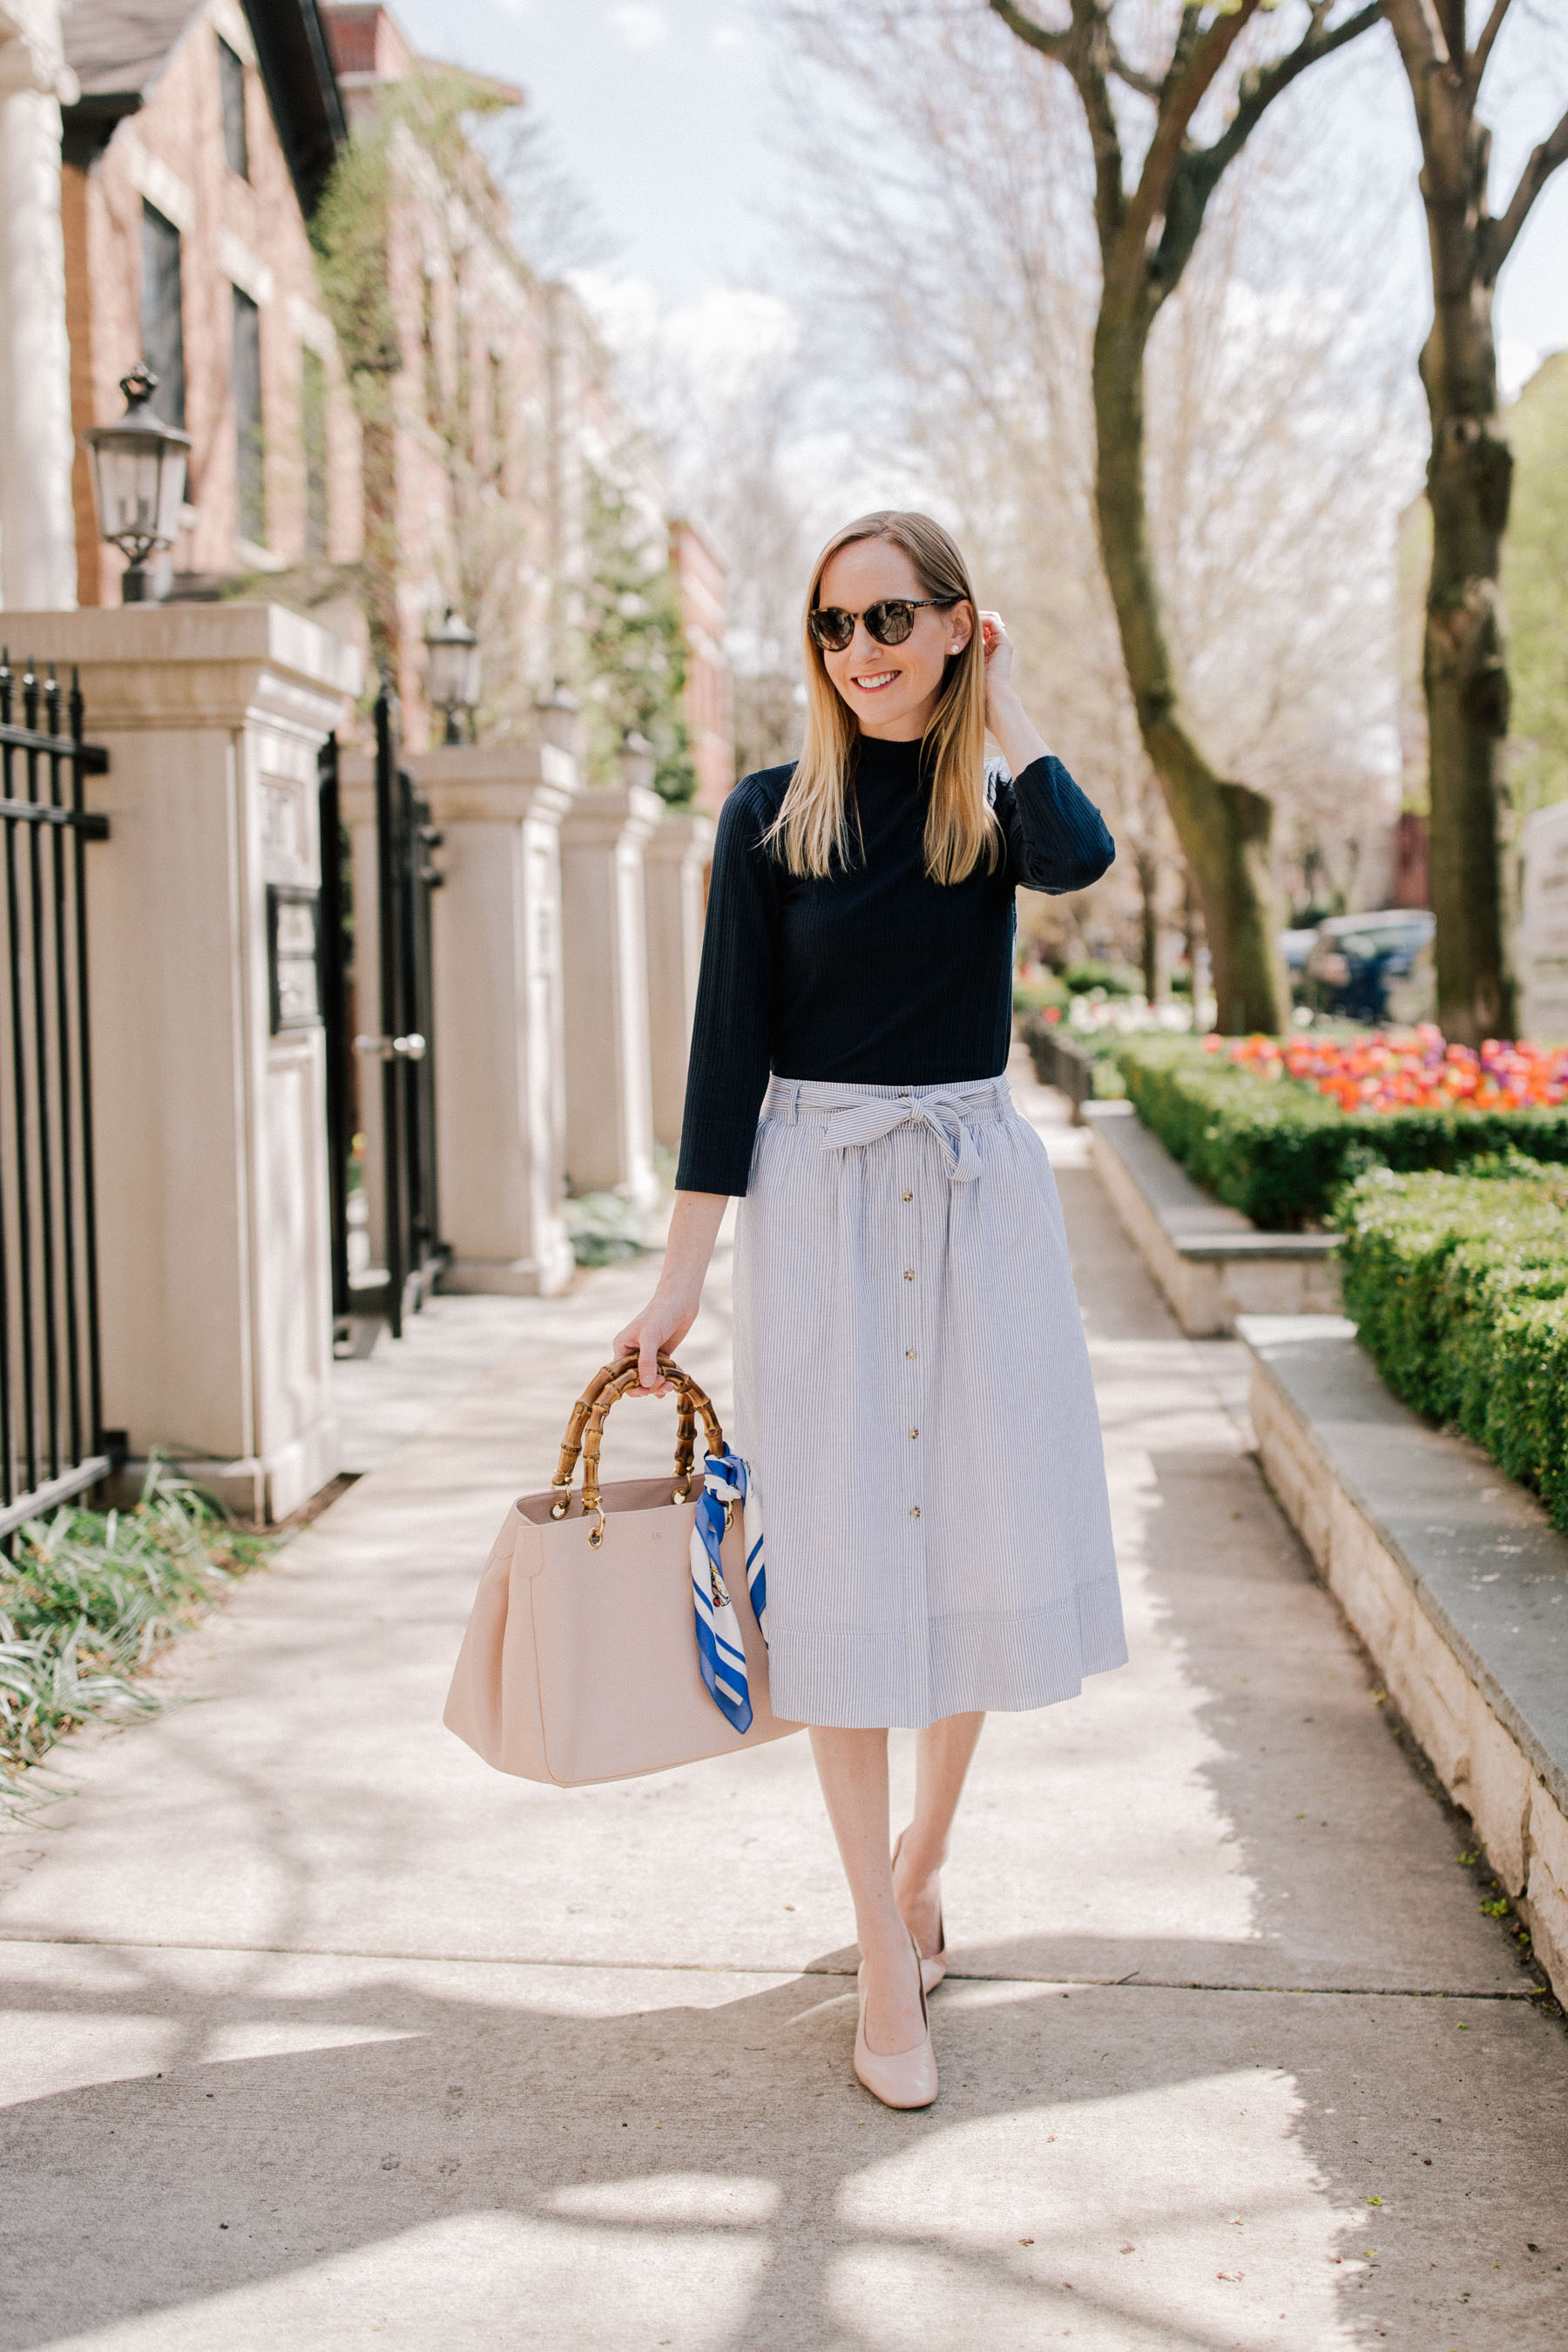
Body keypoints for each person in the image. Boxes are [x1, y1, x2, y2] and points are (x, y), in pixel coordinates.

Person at [615, 510, 1125, 2109]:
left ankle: (924, 1867)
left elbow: (1084, 856)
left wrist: (1007, 696)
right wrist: (684, 1269)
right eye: (835, 627)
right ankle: (876, 1947)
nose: (862, 652)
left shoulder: (990, 801)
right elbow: (726, 1055)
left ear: (957, 621)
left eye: (893, 617)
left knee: (968, 1530)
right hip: (826, 1199)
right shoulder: (771, 816)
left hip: (976, 1193)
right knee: (836, 1559)